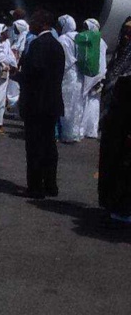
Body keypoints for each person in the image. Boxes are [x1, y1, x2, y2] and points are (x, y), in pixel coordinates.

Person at [16, 10, 65, 199]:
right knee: (50, 145)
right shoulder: (57, 46)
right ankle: (50, 184)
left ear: (44, 24)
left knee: (35, 146)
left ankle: (35, 187)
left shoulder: (38, 44)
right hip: (52, 103)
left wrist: (18, 76)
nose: (31, 25)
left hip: (37, 104)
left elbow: (34, 72)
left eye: (34, 21)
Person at [99, 17, 131, 223]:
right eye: (126, 31)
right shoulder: (121, 54)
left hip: (125, 121)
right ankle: (110, 201)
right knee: (111, 162)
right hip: (113, 119)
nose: (127, 36)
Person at [57, 14, 84, 143]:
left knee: (66, 104)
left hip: (68, 74)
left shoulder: (63, 39)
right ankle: (75, 132)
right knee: (77, 104)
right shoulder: (79, 36)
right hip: (79, 74)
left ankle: (67, 134)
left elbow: (64, 60)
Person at [81, 18, 107, 139]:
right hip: (96, 74)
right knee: (90, 101)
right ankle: (89, 129)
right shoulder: (101, 41)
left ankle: (87, 128)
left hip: (93, 74)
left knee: (91, 102)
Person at [6, 19, 30, 111]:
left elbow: (20, 50)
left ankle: (14, 104)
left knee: (16, 86)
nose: (14, 30)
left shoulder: (25, 36)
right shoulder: (19, 36)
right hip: (14, 63)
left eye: (16, 28)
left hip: (19, 64)